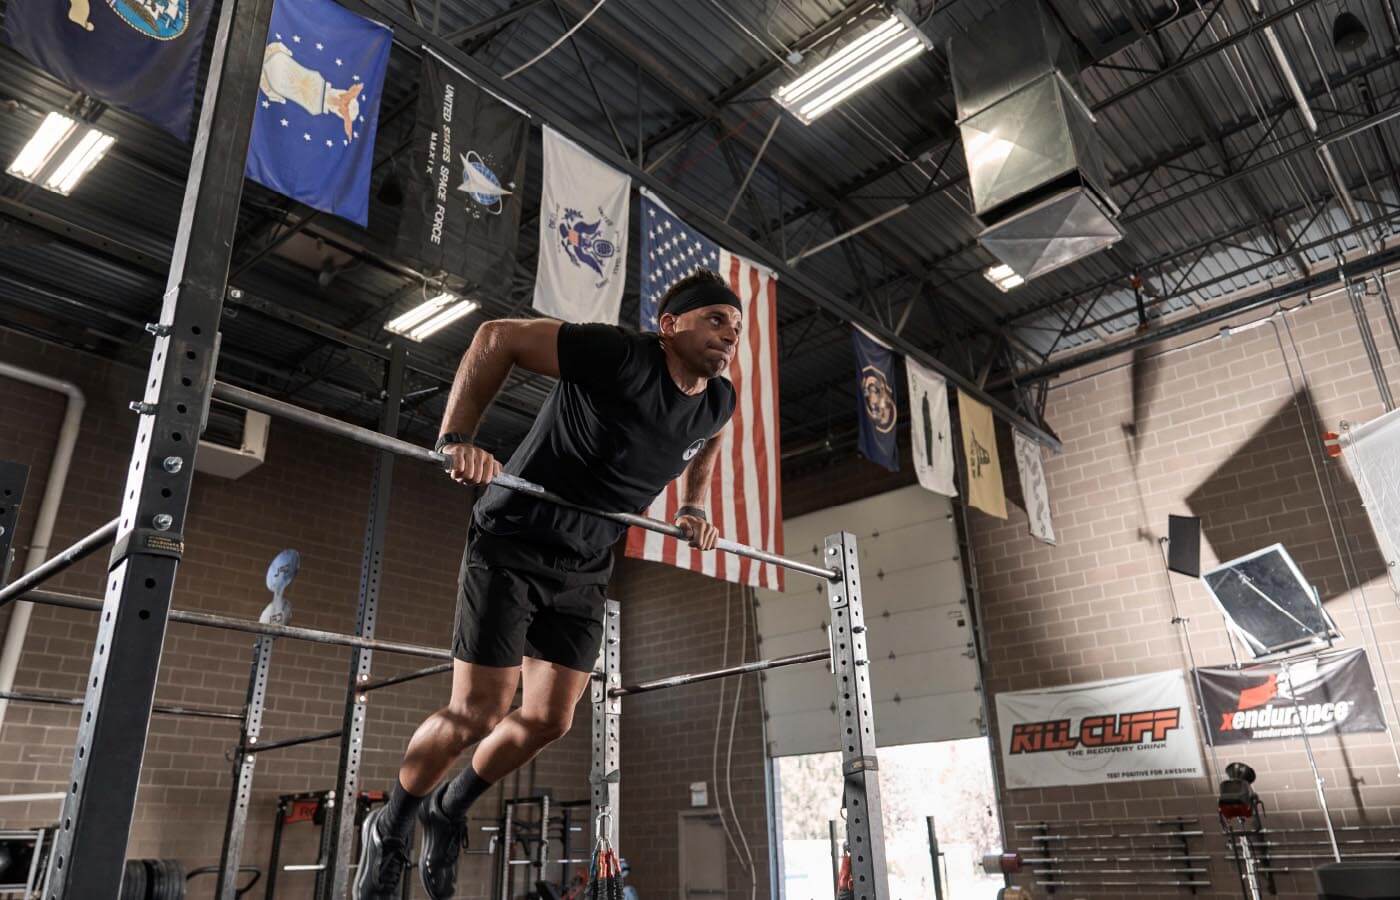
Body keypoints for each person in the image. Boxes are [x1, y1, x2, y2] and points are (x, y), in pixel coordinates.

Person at [355, 269, 743, 900]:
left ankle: (447, 809)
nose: (728, 336)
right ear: (671, 327)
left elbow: (708, 442)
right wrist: (458, 439)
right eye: (715, 321)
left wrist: (695, 506)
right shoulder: (618, 354)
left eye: (736, 327)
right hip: (513, 539)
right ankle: (392, 822)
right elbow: (497, 336)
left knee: (548, 719)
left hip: (586, 560)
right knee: (479, 710)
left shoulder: (717, 399)